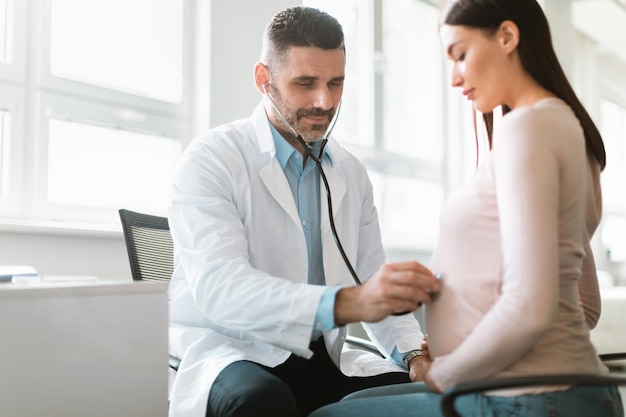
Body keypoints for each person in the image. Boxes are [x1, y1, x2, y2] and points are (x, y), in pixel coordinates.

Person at [309, 0, 625, 416]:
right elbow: (570, 299)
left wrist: (450, 367)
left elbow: (531, 307)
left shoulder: (527, 127)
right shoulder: (566, 128)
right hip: (543, 384)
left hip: (529, 394)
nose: (455, 77)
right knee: (352, 403)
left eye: (461, 54)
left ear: (508, 37)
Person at [166, 6, 440, 417]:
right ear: (264, 79)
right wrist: (346, 304)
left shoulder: (349, 172)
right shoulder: (212, 159)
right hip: (232, 351)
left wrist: (414, 356)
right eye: (305, 83)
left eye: (336, 83)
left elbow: (370, 280)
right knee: (262, 402)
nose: (324, 101)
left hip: (317, 355)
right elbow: (222, 291)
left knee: (428, 396)